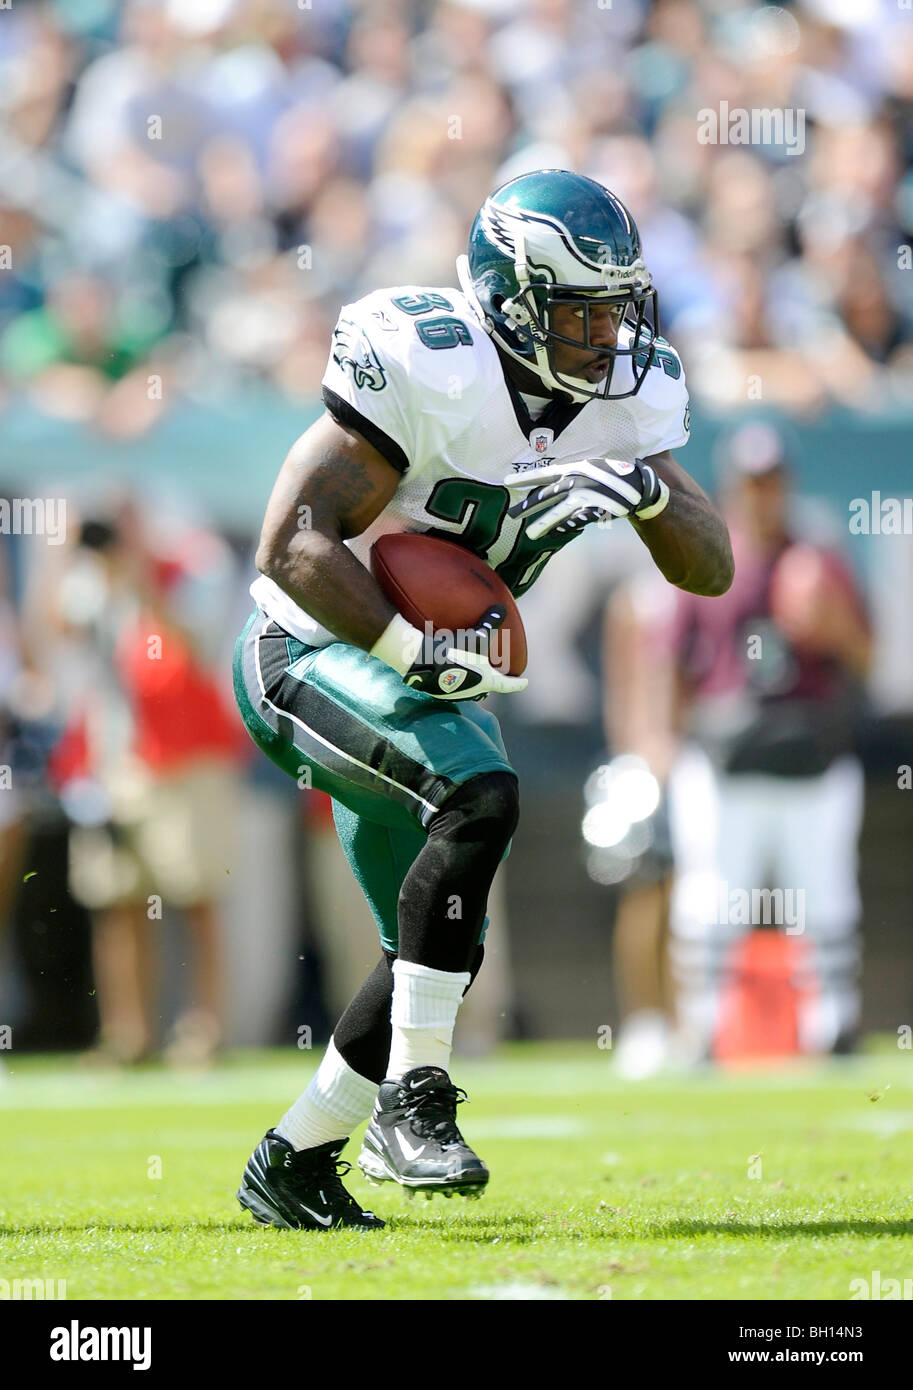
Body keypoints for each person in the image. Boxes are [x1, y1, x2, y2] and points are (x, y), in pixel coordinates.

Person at [233, 169, 733, 1230]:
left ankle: (295, 1156)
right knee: (482, 793)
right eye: (579, 310)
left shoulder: (624, 397)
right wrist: (414, 647)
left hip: (422, 675)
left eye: (615, 308)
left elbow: (710, 565)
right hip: (306, 648)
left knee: (434, 944)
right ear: (511, 298)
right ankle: (413, 1108)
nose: (606, 336)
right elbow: (293, 540)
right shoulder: (427, 359)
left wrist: (644, 487)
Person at [663, 423, 872, 1063]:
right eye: (752, 482)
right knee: (711, 898)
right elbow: (671, 662)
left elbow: (868, 658)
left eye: (772, 480)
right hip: (726, 759)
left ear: (787, 485)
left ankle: (833, 1027)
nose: (762, 493)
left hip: (810, 757)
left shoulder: (821, 560)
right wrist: (663, 746)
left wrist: (830, 619)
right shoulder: (704, 558)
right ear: (732, 487)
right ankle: (702, 1028)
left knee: (826, 897)